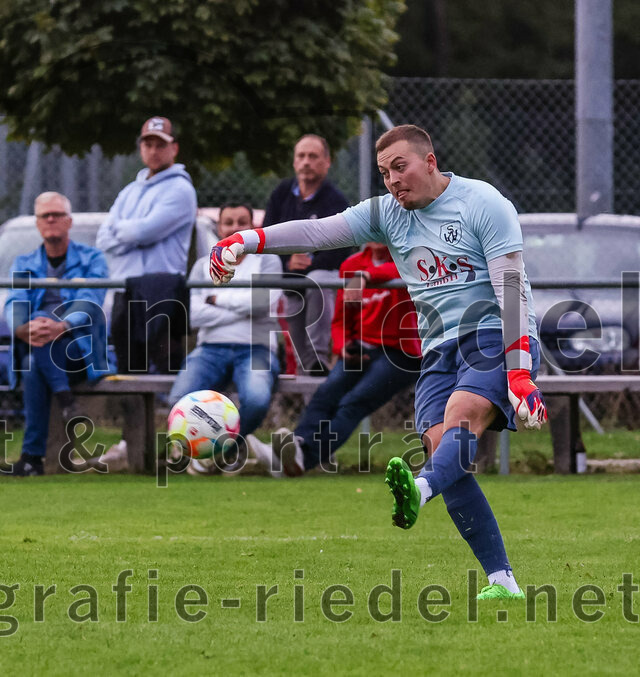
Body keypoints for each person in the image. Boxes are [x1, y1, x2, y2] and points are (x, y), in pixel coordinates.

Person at [211, 124, 547, 601]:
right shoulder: (387, 212)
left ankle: (420, 490)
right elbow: (317, 231)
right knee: (444, 450)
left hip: (494, 333)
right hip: (437, 347)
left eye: (400, 167)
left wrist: (519, 371)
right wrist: (246, 239)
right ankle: (502, 581)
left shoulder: (483, 203)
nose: (392, 181)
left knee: (461, 419)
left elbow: (510, 288)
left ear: (430, 162)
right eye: (385, 172)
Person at [248, 242, 421, 476]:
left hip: (403, 353)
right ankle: (295, 448)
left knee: (353, 403)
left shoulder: (407, 256)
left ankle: (300, 458)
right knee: (325, 395)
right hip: (361, 348)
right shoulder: (351, 264)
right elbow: (341, 319)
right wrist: (343, 346)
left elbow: (403, 269)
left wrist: (364, 276)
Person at [166, 203, 282, 476]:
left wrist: (216, 299)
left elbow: (262, 304)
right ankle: (206, 452)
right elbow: (194, 315)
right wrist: (243, 307)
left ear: (252, 227)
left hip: (256, 348)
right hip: (210, 349)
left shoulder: (268, 260)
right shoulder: (202, 265)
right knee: (178, 399)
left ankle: (222, 452)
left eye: (242, 222)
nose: (235, 228)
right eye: (228, 222)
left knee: (256, 400)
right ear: (219, 228)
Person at [4, 192, 111, 476]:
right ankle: (66, 404)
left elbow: (90, 300)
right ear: (37, 223)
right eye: (45, 215)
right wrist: (22, 328)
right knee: (31, 364)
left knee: (39, 344)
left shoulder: (92, 259)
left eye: (57, 214)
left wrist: (61, 326)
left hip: (81, 350)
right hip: (41, 349)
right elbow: (14, 301)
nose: (51, 219)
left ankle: (31, 457)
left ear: (69, 221)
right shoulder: (24, 263)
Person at [96, 116, 197, 374]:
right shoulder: (129, 191)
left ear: (174, 148)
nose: (153, 151)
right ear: (140, 148)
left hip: (163, 290)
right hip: (126, 289)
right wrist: (133, 235)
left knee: (166, 368)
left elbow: (143, 232)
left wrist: (128, 232)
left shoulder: (181, 189)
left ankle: (175, 404)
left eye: (160, 145)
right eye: (148, 144)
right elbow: (103, 238)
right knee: (128, 370)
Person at [264, 135, 352, 375]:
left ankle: (319, 355)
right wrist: (288, 260)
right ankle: (310, 376)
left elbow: (342, 248)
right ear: (294, 162)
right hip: (290, 280)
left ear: (327, 162)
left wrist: (309, 265)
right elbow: (267, 235)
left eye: (313, 156)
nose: (306, 162)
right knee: (303, 359)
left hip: (320, 279)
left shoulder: (336, 201)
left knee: (317, 281)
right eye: (301, 156)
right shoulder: (281, 194)